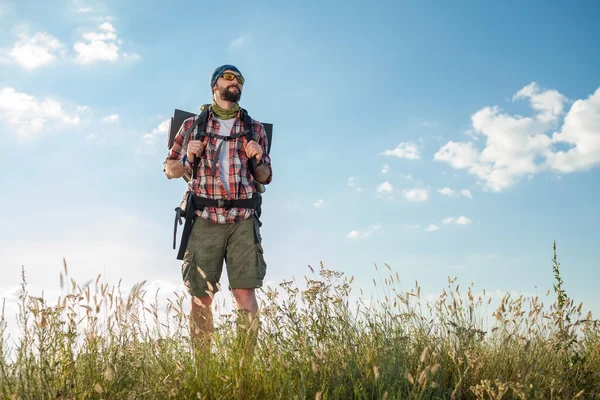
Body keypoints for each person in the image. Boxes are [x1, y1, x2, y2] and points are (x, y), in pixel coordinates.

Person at [163, 64, 272, 356]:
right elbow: (169, 169)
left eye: (239, 79)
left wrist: (258, 158)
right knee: (201, 297)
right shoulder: (191, 126)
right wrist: (187, 159)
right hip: (204, 219)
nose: (235, 82)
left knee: (244, 292)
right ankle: (204, 368)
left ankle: (244, 367)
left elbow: (265, 177)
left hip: (242, 219)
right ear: (215, 86)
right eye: (228, 77)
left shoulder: (254, 129)